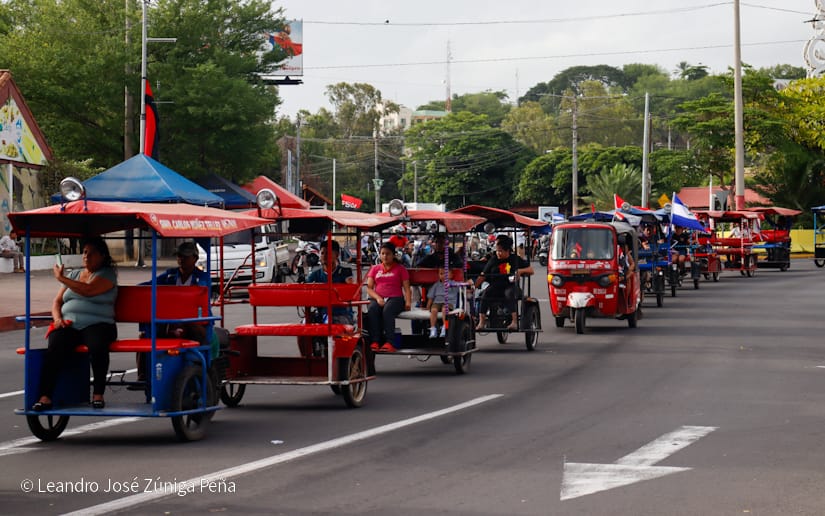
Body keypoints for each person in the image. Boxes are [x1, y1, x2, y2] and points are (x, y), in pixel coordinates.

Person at [32, 237, 118, 411]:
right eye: (85, 252)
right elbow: (57, 302)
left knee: (97, 345)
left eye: (92, 253)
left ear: (102, 256)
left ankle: (98, 394)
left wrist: (62, 278)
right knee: (55, 345)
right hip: (70, 324)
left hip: (99, 323)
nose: (86, 256)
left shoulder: (107, 274)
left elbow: (88, 290)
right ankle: (45, 396)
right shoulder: (74, 274)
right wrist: (57, 320)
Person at [132, 241, 210, 388]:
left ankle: (196, 368)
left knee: (192, 326)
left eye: (185, 257)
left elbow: (201, 299)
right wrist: (136, 291)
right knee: (145, 334)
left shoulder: (202, 278)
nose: (181, 259)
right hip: (170, 321)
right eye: (179, 256)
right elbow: (149, 285)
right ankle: (143, 377)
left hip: (193, 321)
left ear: (195, 258)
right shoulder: (170, 275)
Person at [475, 235, 533, 331]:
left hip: (511, 287)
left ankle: (514, 322)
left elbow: (531, 270)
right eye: (497, 251)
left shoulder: (515, 259)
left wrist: (520, 271)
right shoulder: (493, 259)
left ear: (507, 251)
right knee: (485, 294)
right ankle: (482, 322)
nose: (498, 253)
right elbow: (483, 275)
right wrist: (473, 287)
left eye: (501, 251)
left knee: (509, 293)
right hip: (496, 287)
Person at [366, 242, 411, 352]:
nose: (385, 256)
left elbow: (406, 288)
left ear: (393, 255)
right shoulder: (375, 269)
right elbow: (369, 288)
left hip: (395, 298)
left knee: (388, 310)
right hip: (378, 297)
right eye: (383, 254)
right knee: (372, 309)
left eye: (388, 254)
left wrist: (408, 302)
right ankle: (375, 340)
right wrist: (378, 298)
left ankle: (390, 341)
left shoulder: (401, 269)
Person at [306, 240, 355, 325]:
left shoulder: (345, 272)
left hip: (342, 314)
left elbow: (351, 291)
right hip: (321, 313)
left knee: (330, 322)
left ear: (337, 255)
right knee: (304, 325)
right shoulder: (315, 274)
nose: (324, 256)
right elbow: (305, 288)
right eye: (322, 253)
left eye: (328, 253)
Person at [426, 268, 470, 338]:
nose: (443, 276)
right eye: (441, 274)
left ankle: (444, 327)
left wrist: (468, 285)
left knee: (445, 309)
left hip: (449, 302)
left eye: (446, 274)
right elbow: (431, 297)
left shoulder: (453, 284)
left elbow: (462, 289)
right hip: (437, 302)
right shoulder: (436, 285)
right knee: (433, 310)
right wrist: (427, 307)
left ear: (451, 275)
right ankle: (433, 328)